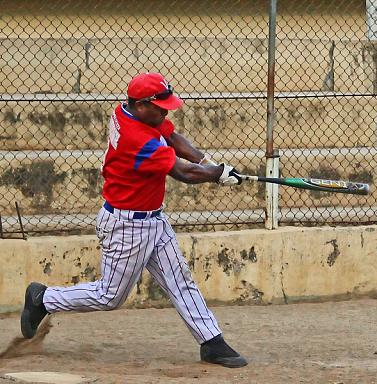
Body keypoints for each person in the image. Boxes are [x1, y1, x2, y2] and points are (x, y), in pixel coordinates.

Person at [20, 72, 247, 368]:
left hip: (153, 218)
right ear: (141, 105)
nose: (166, 111)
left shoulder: (130, 112)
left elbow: (173, 136)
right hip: (128, 226)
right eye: (160, 106)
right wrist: (217, 175)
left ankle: (212, 342)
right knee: (110, 296)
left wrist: (209, 164)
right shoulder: (137, 139)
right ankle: (43, 299)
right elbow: (182, 173)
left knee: (180, 281)